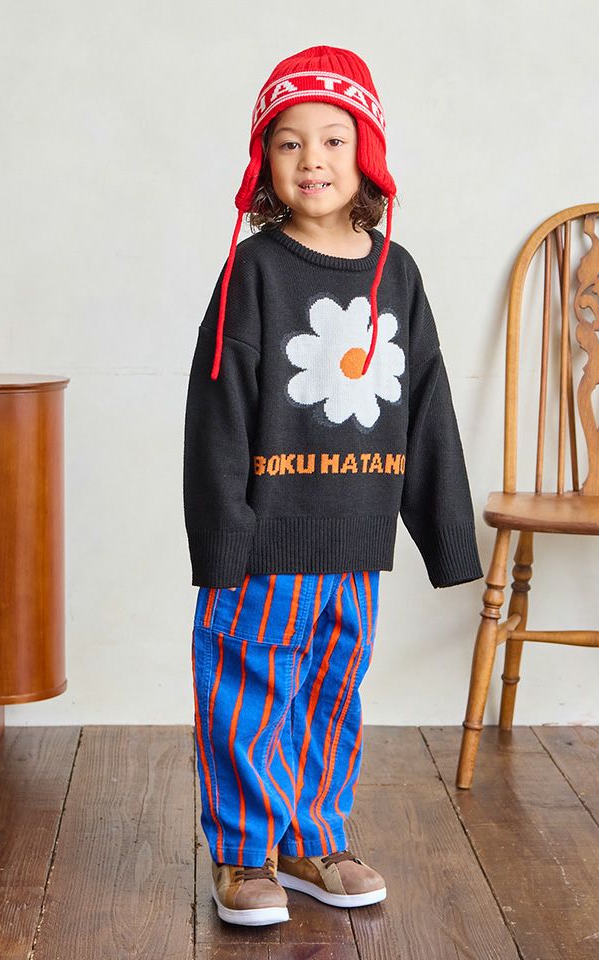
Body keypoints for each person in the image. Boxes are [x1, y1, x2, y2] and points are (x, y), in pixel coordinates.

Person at [183, 45, 484, 927]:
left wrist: (446, 537)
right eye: (288, 142)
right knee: (248, 694)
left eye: (332, 139)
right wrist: (222, 543)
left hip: (356, 541)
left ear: (367, 155)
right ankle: (244, 854)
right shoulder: (255, 270)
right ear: (264, 163)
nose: (311, 159)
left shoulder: (399, 272)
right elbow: (217, 417)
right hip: (262, 541)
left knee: (329, 692)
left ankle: (312, 839)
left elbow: (427, 407)